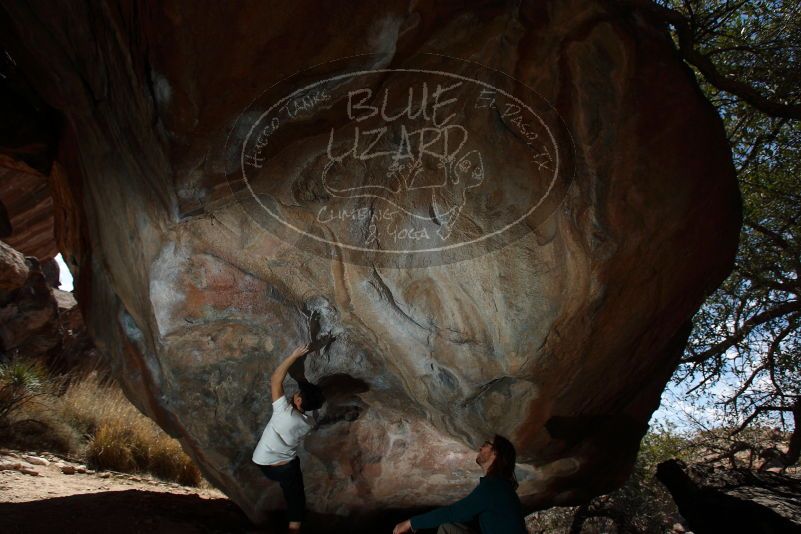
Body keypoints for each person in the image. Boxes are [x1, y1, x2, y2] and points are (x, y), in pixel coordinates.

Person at [252, 343, 325, 533]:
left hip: (263, 462)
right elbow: (308, 407)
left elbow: (276, 380)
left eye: (298, 393)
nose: (295, 393)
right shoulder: (309, 422)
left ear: (299, 400)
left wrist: (294, 355)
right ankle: (294, 528)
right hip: (285, 469)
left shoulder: (283, 412)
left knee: (294, 484)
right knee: (296, 498)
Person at [392, 435, 526, 534]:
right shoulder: (499, 485)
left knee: (447, 526)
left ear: (495, 453)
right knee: (448, 528)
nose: (480, 447)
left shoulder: (494, 486)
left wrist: (411, 523)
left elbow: (454, 512)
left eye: (486, 444)